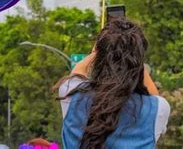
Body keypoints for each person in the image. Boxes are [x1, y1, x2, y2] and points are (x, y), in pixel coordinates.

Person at [57, 18, 170, 148]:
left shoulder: (71, 94)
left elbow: (78, 71)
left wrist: (99, 50)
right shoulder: (158, 109)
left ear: (98, 55)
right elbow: (154, 96)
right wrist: (134, 57)